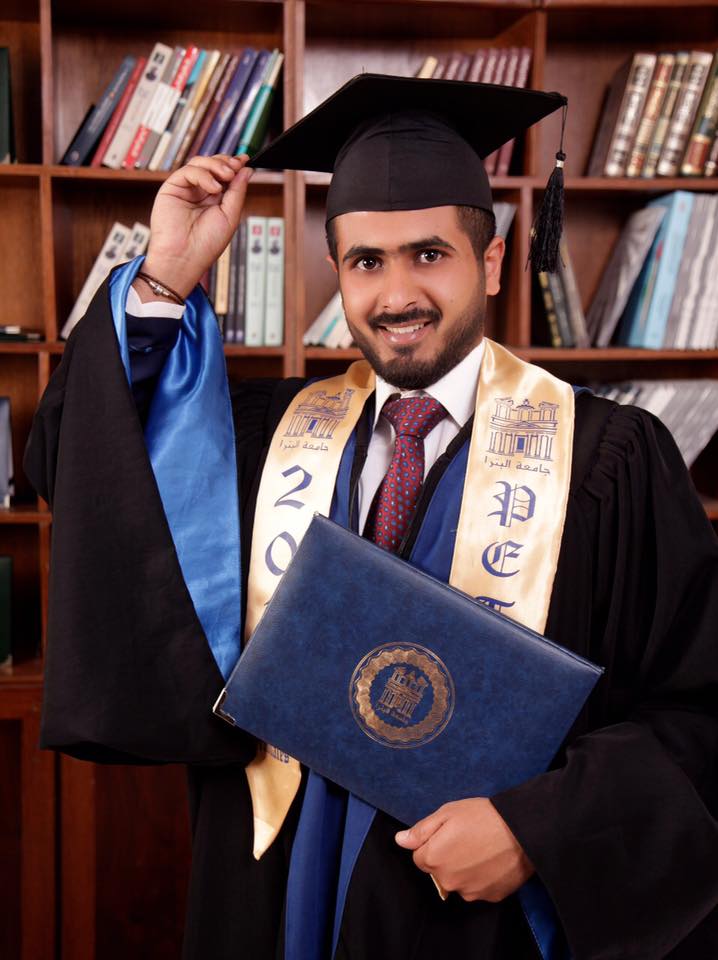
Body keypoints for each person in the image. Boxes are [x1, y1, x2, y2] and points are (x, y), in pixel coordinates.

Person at [25, 75, 718, 960]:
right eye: (366, 262)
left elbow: (698, 710)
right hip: (271, 887)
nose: (396, 295)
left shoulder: (611, 461)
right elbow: (85, 460)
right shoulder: (262, 432)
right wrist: (165, 276)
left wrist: (537, 828)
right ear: (337, 272)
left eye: (428, 254)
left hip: (478, 916)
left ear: (492, 260)